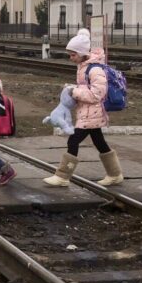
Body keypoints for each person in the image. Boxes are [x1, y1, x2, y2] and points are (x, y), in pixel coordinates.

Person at [43, 29, 124, 187]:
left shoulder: (95, 70)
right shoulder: (84, 67)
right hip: (87, 112)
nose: (71, 58)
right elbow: (86, 88)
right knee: (99, 142)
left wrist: (75, 92)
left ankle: (63, 176)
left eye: (73, 54)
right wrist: (74, 89)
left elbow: (96, 95)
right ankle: (115, 174)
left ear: (82, 53)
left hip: (92, 113)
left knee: (73, 140)